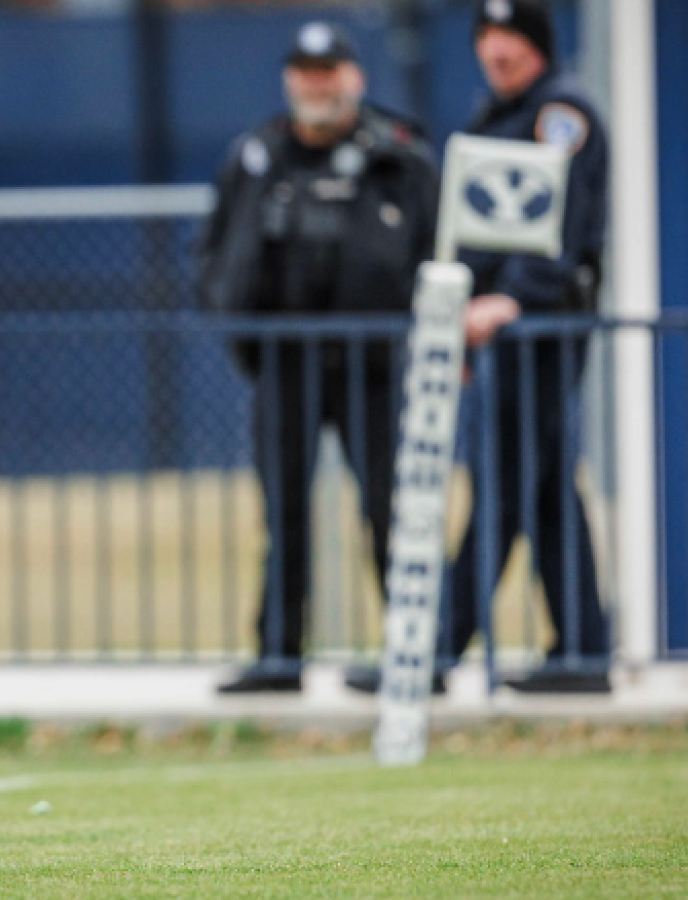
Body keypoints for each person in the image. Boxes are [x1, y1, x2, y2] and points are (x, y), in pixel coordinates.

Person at [197, 22, 438, 693]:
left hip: (374, 364)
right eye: (305, 71)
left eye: (328, 70)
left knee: (391, 512)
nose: (317, 84)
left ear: (354, 77)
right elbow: (216, 254)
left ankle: (416, 657)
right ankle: (278, 657)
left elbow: (438, 247)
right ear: (289, 79)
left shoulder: (399, 156)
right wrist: (238, 326)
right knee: (284, 514)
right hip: (287, 362)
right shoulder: (257, 155)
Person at [441, 0, 612, 693]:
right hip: (498, 336)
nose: (496, 50)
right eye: (487, 36)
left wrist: (511, 297)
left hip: (537, 329)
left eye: (510, 36)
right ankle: (583, 653)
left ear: (538, 43)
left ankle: (434, 652)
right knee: (544, 494)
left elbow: (561, 222)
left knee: (504, 488)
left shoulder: (560, 113)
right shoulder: (495, 114)